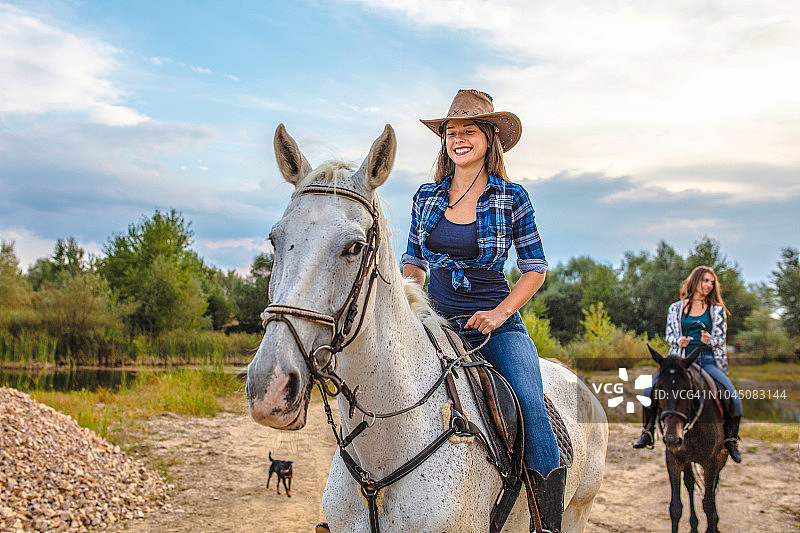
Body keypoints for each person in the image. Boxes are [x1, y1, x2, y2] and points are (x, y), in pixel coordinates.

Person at [401, 89, 565, 532]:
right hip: (435, 320)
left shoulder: (512, 197)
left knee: (530, 404)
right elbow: (413, 263)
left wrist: (497, 314)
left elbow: (534, 270)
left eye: (469, 131)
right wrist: (408, 296)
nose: (458, 139)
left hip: (496, 323)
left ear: (489, 139)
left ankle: (548, 522)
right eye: (451, 132)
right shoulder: (425, 196)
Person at [632, 266, 743, 463]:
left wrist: (710, 340)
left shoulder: (717, 310)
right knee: (648, 390)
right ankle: (647, 432)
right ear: (695, 281)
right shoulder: (676, 308)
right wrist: (678, 341)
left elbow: (721, 338)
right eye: (705, 280)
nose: (708, 285)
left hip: (708, 361)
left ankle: (730, 440)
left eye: (712, 282)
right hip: (679, 362)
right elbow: (669, 335)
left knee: (733, 398)